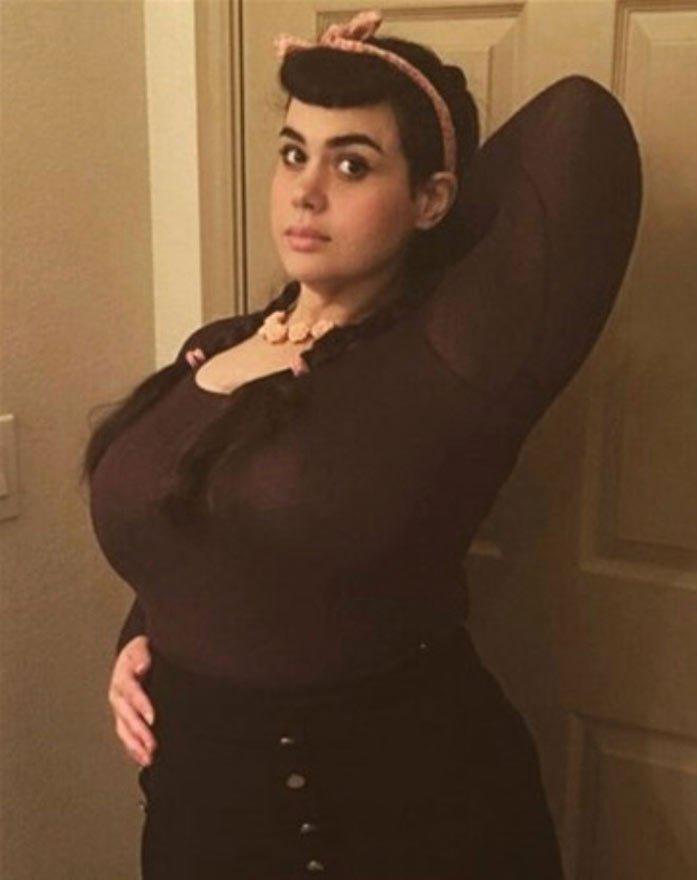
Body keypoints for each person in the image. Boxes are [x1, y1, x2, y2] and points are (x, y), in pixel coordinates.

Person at [83, 9, 642, 879]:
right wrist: (143, 629)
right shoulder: (218, 342)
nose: (305, 191)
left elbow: (579, 125)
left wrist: (394, 80)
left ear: (432, 199)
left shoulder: (453, 361)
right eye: (292, 152)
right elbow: (186, 523)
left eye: (352, 164)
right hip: (198, 822)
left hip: (401, 825)